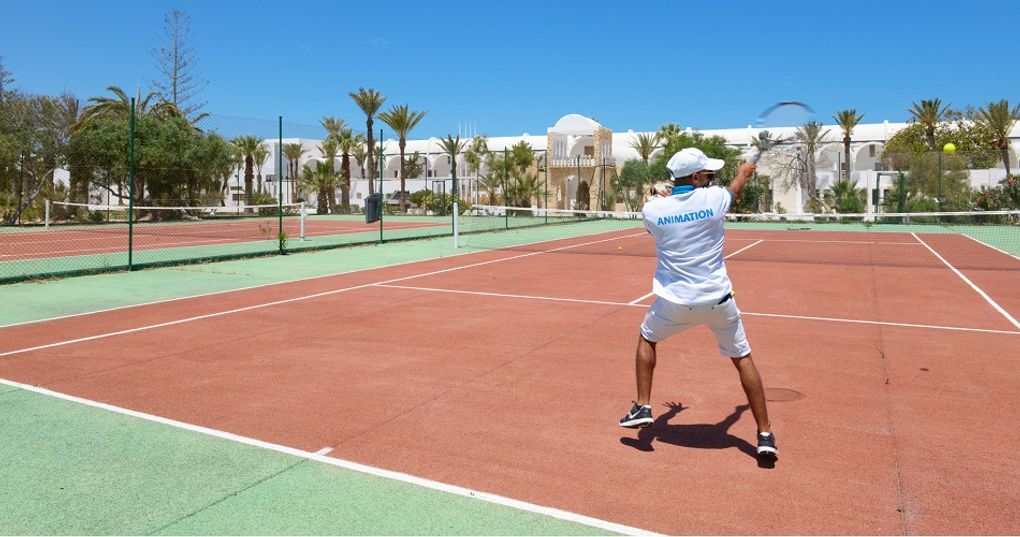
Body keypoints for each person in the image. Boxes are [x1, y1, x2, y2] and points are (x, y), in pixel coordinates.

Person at [619, 147, 777, 460]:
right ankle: (765, 434)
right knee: (743, 359)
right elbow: (736, 187)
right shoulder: (714, 198)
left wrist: (658, 197)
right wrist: (745, 170)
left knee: (647, 337)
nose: (709, 178)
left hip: (674, 302)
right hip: (718, 300)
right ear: (694, 177)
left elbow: (654, 212)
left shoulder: (654, 210)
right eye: (706, 174)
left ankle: (643, 405)